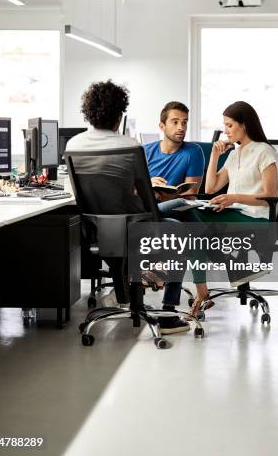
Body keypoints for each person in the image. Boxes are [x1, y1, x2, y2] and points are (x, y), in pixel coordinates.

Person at [66, 81, 190, 335]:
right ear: (120, 114)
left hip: (96, 232)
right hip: (136, 231)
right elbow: (145, 198)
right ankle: (167, 313)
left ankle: (134, 283)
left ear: (88, 113)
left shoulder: (73, 145)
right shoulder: (130, 145)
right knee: (178, 229)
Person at [190, 101, 278, 315]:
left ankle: (219, 280)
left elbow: (271, 196)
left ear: (245, 125)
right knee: (191, 224)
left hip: (256, 218)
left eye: (230, 125)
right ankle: (224, 277)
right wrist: (214, 156)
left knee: (193, 226)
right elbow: (211, 187)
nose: (225, 130)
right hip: (235, 214)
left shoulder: (264, 151)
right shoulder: (234, 154)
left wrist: (234, 198)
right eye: (225, 125)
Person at [144, 101, 205, 215]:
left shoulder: (194, 151)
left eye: (184, 122)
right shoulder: (145, 151)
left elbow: (190, 196)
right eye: (175, 122)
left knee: (180, 205)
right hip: (146, 205)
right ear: (162, 126)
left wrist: (169, 198)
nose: (181, 127)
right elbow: (131, 190)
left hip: (173, 207)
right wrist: (147, 185)